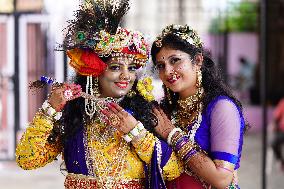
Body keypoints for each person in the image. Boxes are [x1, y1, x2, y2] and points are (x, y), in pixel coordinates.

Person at [15, 1, 183, 189]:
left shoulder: (146, 112)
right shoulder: (73, 114)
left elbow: (173, 169)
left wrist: (136, 133)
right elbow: (27, 159)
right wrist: (50, 109)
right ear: (95, 70)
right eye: (115, 67)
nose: (126, 75)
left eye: (132, 68)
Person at [150, 24, 248, 189]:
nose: (167, 71)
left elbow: (221, 179)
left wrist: (172, 135)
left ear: (197, 61)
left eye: (175, 60)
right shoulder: (166, 111)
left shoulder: (221, 108)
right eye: (161, 65)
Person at [272, 98, 284, 171]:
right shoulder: (283, 102)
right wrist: (274, 124)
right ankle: (281, 161)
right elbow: (276, 116)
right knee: (273, 143)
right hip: (282, 131)